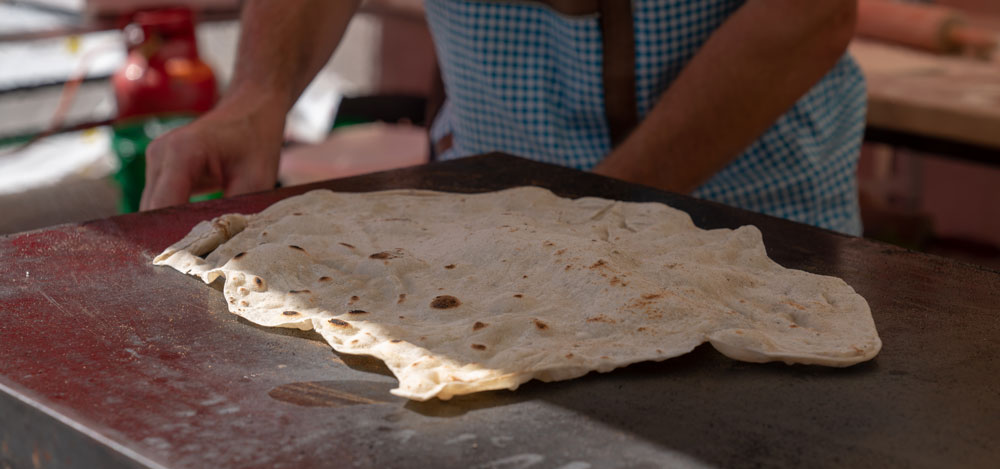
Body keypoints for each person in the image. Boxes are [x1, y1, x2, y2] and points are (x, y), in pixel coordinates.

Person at [141, 0, 863, 235]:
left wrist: (588, 212)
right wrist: (258, 96)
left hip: (747, 214)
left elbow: (808, 10)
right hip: (485, 216)